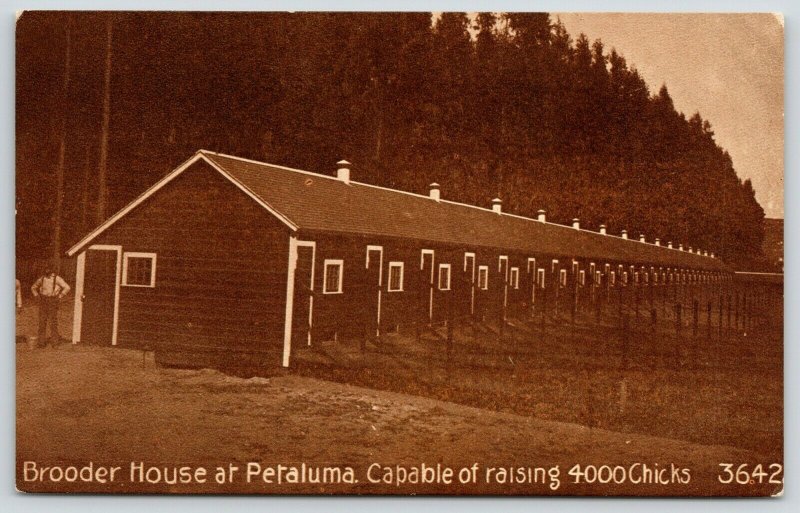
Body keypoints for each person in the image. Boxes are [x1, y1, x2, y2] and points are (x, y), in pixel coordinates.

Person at [31, 266, 71, 347]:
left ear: (52, 270)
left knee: (53, 323)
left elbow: (67, 287)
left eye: (48, 269)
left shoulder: (57, 279)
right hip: (43, 301)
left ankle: (55, 343)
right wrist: (36, 296)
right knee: (42, 322)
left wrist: (60, 296)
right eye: (45, 269)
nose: (47, 271)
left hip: (53, 301)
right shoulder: (42, 279)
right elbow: (33, 287)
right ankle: (41, 343)